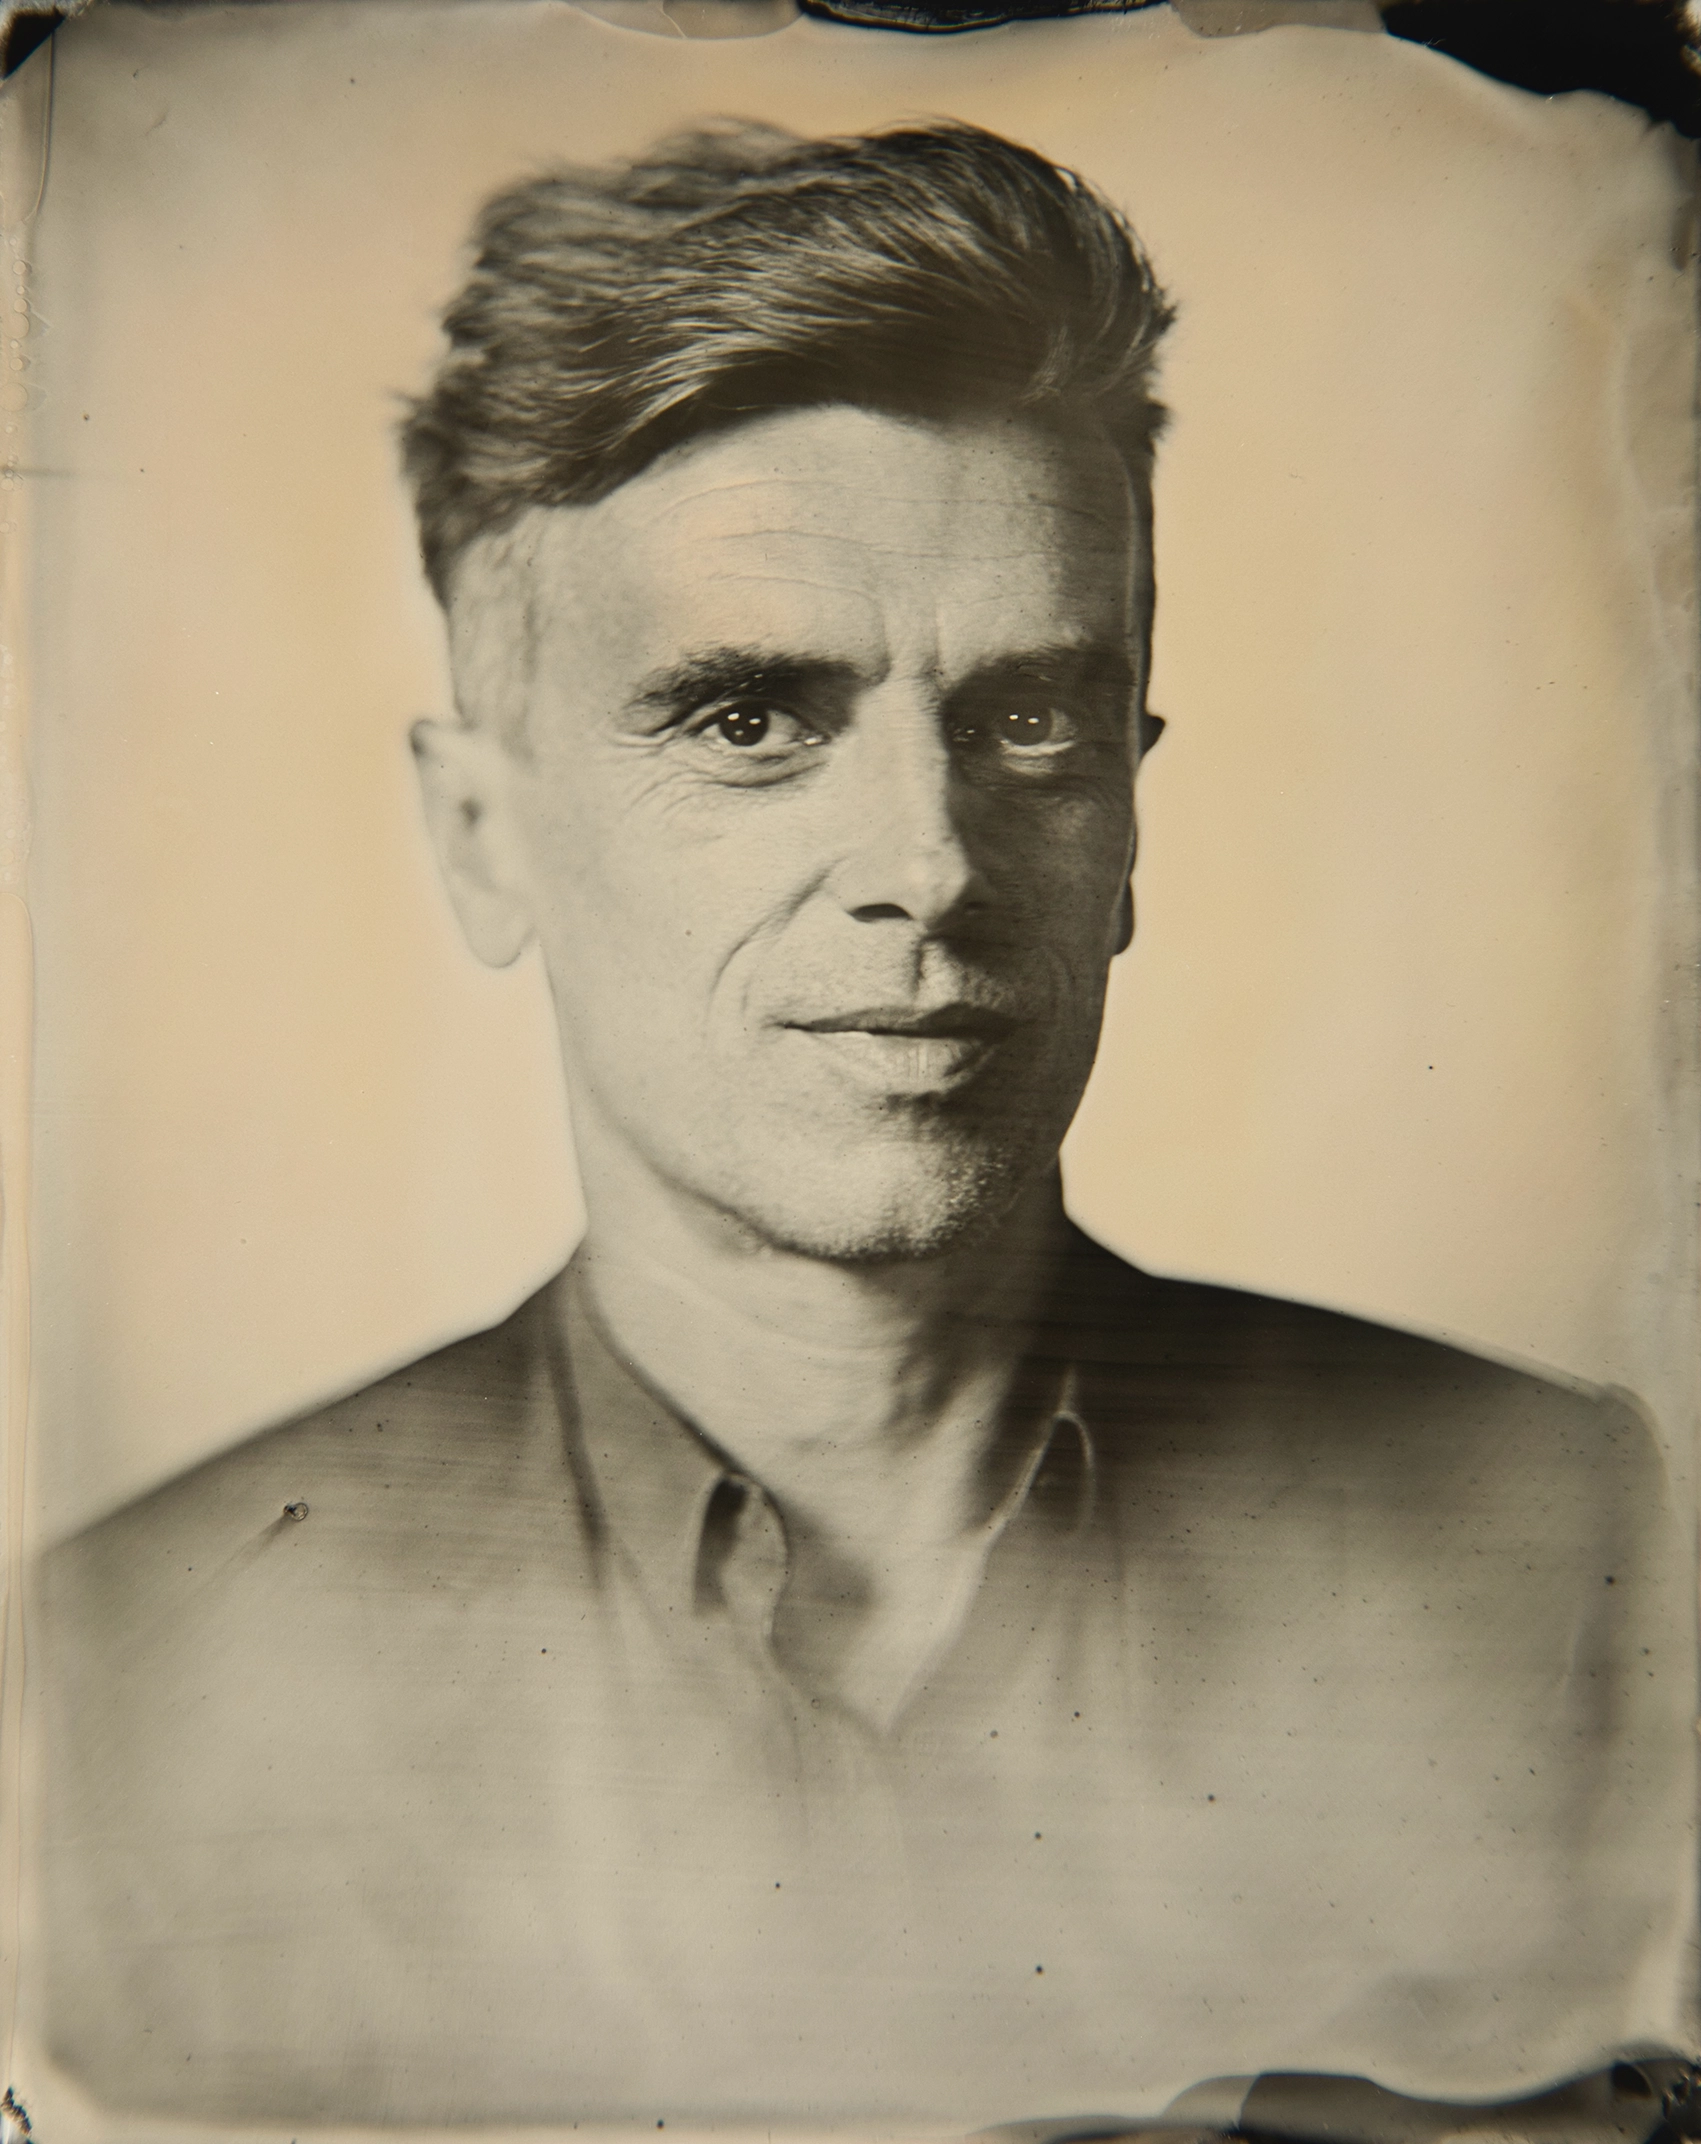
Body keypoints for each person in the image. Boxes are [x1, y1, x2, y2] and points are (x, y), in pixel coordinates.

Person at [38, 119, 1691, 2131]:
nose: (929, 863)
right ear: (484, 836)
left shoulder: (1570, 1545)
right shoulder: (129, 1676)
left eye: (1031, 721)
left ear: (1130, 817)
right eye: (750, 720)